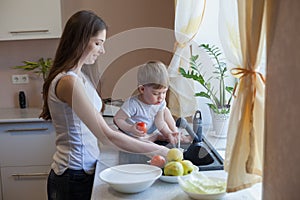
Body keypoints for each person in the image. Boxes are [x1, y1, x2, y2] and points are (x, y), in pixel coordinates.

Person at [39, 10, 169, 200]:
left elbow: (98, 126)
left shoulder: (79, 77)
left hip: (82, 172)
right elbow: (106, 135)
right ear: (80, 41)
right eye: (98, 43)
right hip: (72, 175)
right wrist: (158, 149)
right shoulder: (68, 82)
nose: (102, 50)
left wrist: (141, 139)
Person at [113, 61, 191, 145]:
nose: (161, 97)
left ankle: (174, 133)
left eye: (164, 92)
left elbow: (160, 122)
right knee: (138, 141)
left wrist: (168, 133)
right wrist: (130, 128)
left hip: (149, 127)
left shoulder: (160, 102)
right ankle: (156, 137)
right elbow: (117, 119)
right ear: (142, 89)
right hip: (135, 133)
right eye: (156, 93)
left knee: (165, 110)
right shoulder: (133, 104)